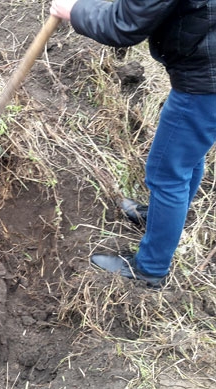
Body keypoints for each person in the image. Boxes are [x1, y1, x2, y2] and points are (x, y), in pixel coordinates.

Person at [50, 0, 216, 289]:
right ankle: (159, 218)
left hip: (206, 80)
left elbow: (125, 24)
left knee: (167, 174)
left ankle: (150, 268)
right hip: (205, 63)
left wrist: (74, 10)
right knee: (185, 157)